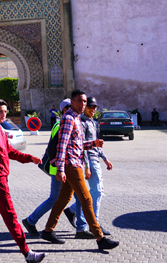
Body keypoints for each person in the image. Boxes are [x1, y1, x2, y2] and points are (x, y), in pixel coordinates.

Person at [40, 90, 119, 251]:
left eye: (84, 101)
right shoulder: (69, 118)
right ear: (73, 103)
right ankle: (99, 237)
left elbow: (77, 145)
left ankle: (48, 231)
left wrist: (93, 144)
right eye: (80, 101)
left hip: (76, 163)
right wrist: (60, 169)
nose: (83, 104)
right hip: (70, 165)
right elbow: (61, 145)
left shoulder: (76, 118)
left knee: (63, 199)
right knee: (86, 198)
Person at [0, 98, 47, 263]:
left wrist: (30, 158)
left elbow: (11, 152)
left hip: (1, 178)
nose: (4, 114)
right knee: (10, 216)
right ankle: (27, 253)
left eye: (6, 111)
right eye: (1, 111)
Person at [22, 99, 76, 237]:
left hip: (65, 167)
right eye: (71, 107)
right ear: (65, 109)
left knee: (79, 196)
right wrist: (59, 167)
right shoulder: (60, 124)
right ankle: (31, 220)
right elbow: (53, 147)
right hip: (58, 168)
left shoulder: (67, 122)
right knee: (55, 198)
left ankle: (79, 220)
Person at [72, 97, 114, 239]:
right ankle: (92, 224)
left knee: (94, 193)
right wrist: (87, 167)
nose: (93, 109)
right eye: (91, 106)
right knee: (96, 192)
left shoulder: (92, 122)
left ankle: (78, 216)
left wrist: (106, 159)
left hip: (95, 159)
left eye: (95, 107)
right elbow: (82, 146)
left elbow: (96, 145)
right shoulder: (82, 122)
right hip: (89, 161)